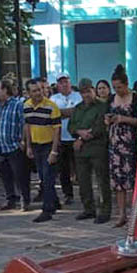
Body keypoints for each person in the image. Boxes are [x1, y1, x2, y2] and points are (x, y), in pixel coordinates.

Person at [105, 65, 137, 227]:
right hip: (114, 144)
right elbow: (106, 117)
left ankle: (136, 213)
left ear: (126, 84)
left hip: (131, 144)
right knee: (117, 181)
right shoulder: (111, 99)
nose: (117, 90)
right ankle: (122, 214)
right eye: (114, 87)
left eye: (119, 87)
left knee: (133, 180)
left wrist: (123, 119)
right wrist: (108, 120)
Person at [69, 80, 110, 223]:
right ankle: (88, 209)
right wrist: (79, 133)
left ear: (93, 90)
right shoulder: (78, 108)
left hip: (97, 147)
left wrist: (83, 136)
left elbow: (100, 126)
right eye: (83, 92)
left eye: (88, 91)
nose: (86, 95)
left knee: (102, 181)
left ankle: (105, 211)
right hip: (81, 150)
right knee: (83, 181)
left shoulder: (102, 106)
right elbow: (71, 126)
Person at [23, 79, 63, 223]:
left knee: (47, 178)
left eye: (40, 89)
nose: (38, 93)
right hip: (36, 145)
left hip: (48, 145)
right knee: (43, 177)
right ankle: (55, 202)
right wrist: (28, 146)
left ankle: (47, 210)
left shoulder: (51, 106)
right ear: (28, 93)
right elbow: (28, 126)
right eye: (34, 91)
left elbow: (57, 130)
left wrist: (54, 151)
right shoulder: (26, 106)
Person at [0, 79, 30, 212]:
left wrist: (23, 141)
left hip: (14, 146)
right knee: (5, 176)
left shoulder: (17, 105)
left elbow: (24, 124)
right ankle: (10, 199)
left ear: (5, 90)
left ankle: (25, 199)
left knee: (20, 175)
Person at [50, 72, 82, 205]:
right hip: (61, 138)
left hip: (76, 137)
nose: (64, 84)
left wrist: (62, 113)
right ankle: (67, 194)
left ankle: (84, 193)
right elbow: (53, 115)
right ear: (57, 85)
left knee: (80, 168)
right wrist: (68, 112)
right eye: (61, 82)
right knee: (64, 170)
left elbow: (78, 113)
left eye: (66, 81)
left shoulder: (78, 96)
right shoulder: (53, 99)